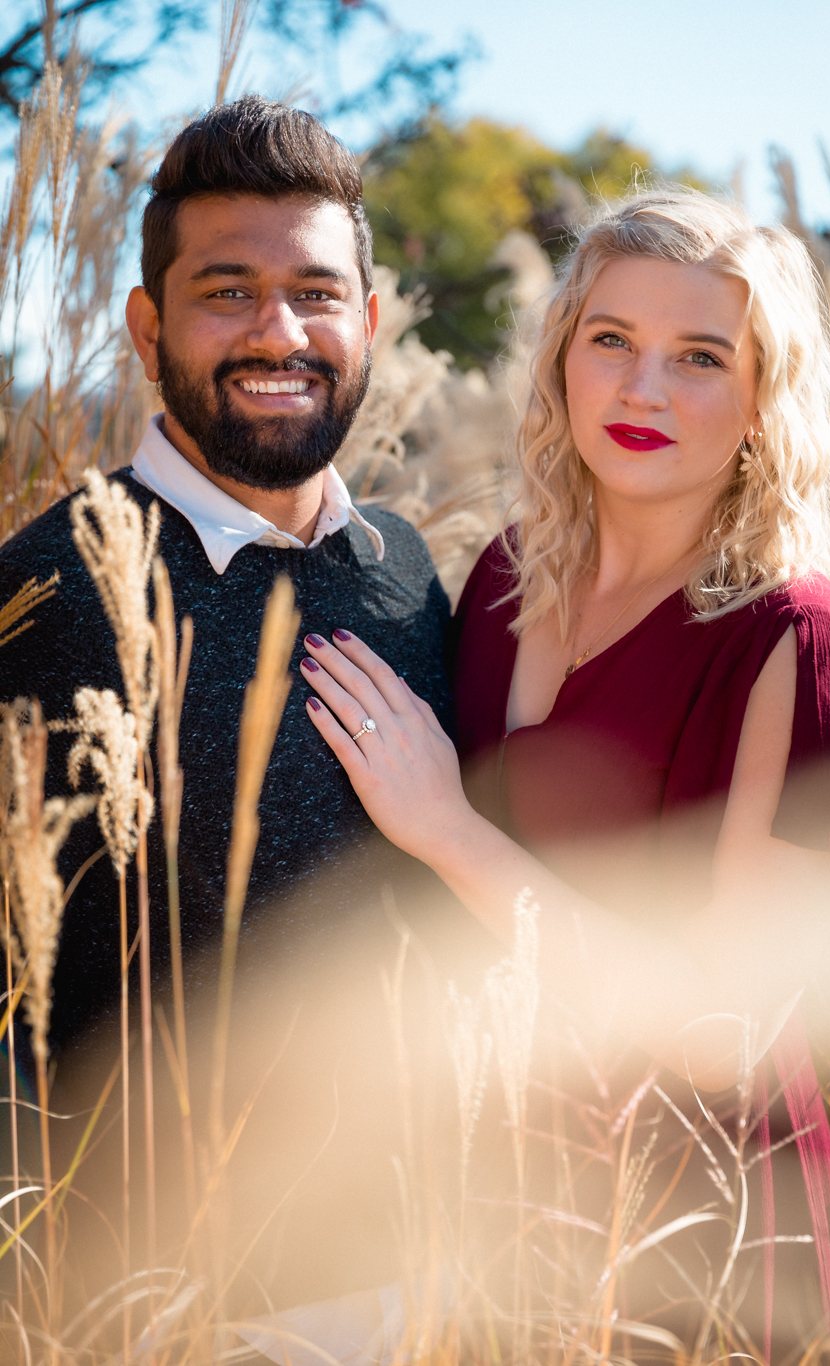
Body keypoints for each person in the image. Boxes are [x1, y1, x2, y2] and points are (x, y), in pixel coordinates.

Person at [293, 190, 830, 1350]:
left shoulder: (791, 639)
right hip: (489, 1215)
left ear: (761, 399)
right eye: (611, 341)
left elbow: (725, 1033)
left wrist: (448, 827)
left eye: (699, 357)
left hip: (698, 1241)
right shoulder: (500, 578)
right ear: (562, 360)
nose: (641, 389)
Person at [0, 96, 454, 1053]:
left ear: (367, 321)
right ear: (148, 325)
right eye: (227, 291)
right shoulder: (41, 593)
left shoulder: (405, 570)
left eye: (317, 294)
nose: (279, 334)